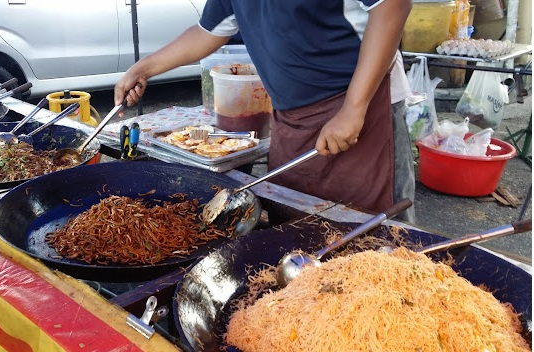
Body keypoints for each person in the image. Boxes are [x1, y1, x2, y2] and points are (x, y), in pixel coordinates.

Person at [115, 1, 412, 215]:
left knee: (372, 233)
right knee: (292, 219)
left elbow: (392, 6)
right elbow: (209, 32)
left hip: (361, 107)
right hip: (290, 119)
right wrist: (144, 68)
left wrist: (353, 108)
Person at [390, 50, 417, 223]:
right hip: (306, 102)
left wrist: (354, 107)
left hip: (384, 97)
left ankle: (406, 246)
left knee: (396, 191)